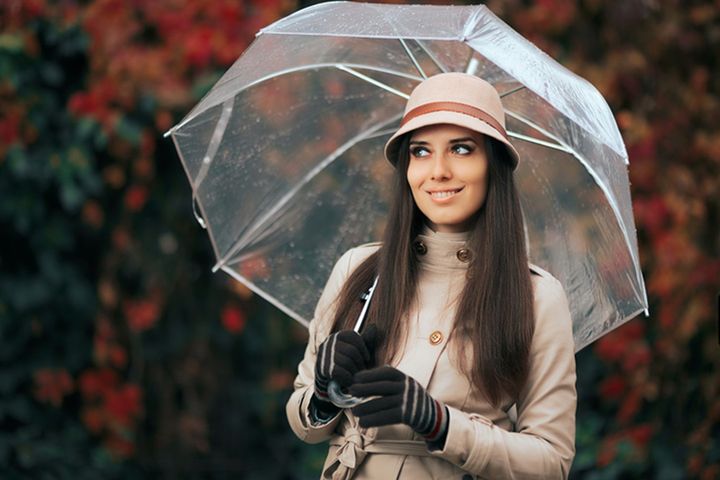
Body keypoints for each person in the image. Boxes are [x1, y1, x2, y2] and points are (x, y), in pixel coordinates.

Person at [286, 73, 577, 479]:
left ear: (493, 164)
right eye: (420, 152)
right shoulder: (359, 269)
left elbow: (551, 461)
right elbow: (304, 424)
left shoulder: (536, 296)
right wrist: (322, 395)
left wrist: (441, 423)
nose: (437, 171)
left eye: (461, 149)